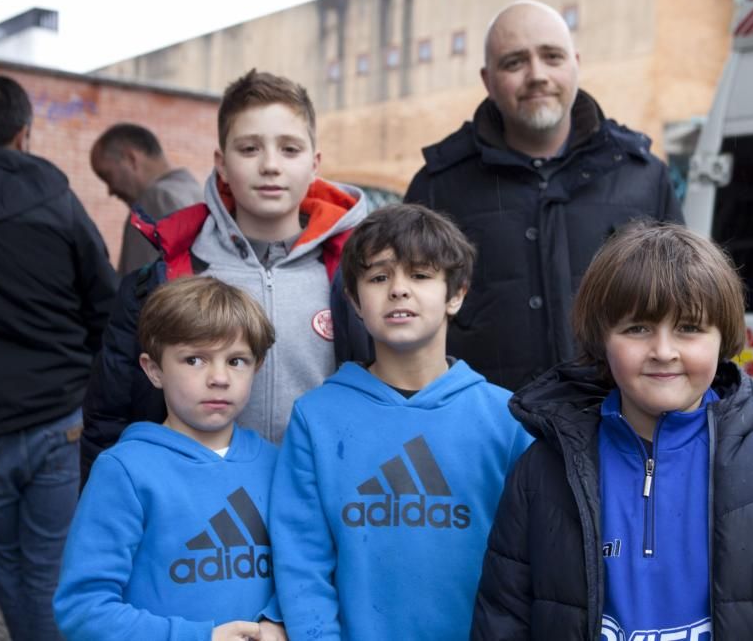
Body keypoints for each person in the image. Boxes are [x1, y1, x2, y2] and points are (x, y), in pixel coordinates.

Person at [470, 221, 753, 640]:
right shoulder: (541, 472)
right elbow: (504, 620)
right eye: (637, 328)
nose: (664, 352)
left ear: (724, 337)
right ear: (601, 339)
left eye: (689, 328)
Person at [81, 69, 371, 482]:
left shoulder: (355, 276)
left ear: (314, 163)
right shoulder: (165, 279)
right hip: (200, 514)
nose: (270, 165)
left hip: (319, 506)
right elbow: (110, 416)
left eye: (289, 149)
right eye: (250, 148)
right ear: (222, 163)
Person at [269, 204, 532, 640]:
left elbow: (526, 565)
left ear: (457, 294)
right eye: (378, 277)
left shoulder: (506, 421)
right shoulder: (316, 418)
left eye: (421, 275)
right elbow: (302, 562)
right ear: (353, 300)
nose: (398, 290)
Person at [404, 0, 683, 391]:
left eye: (552, 57)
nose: (537, 75)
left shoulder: (643, 176)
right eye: (514, 63)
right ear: (488, 80)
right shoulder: (437, 187)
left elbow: (683, 308)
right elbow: (405, 319)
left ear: (576, 63)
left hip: (617, 424)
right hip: (486, 431)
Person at [0, 74, 117, 640]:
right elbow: (106, 306)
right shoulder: (58, 201)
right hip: (59, 422)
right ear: (24, 133)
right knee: (49, 571)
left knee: (7, 569)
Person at [54, 277, 285, 641]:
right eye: (195, 359)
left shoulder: (277, 466)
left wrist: (277, 620)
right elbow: (82, 608)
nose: (219, 378)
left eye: (236, 360)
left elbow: (304, 570)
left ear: (256, 367)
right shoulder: (125, 472)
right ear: (154, 370)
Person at [90, 123, 204, 274]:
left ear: (131, 159)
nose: (110, 191)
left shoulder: (155, 200)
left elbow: (142, 290)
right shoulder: (196, 193)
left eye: (107, 176)